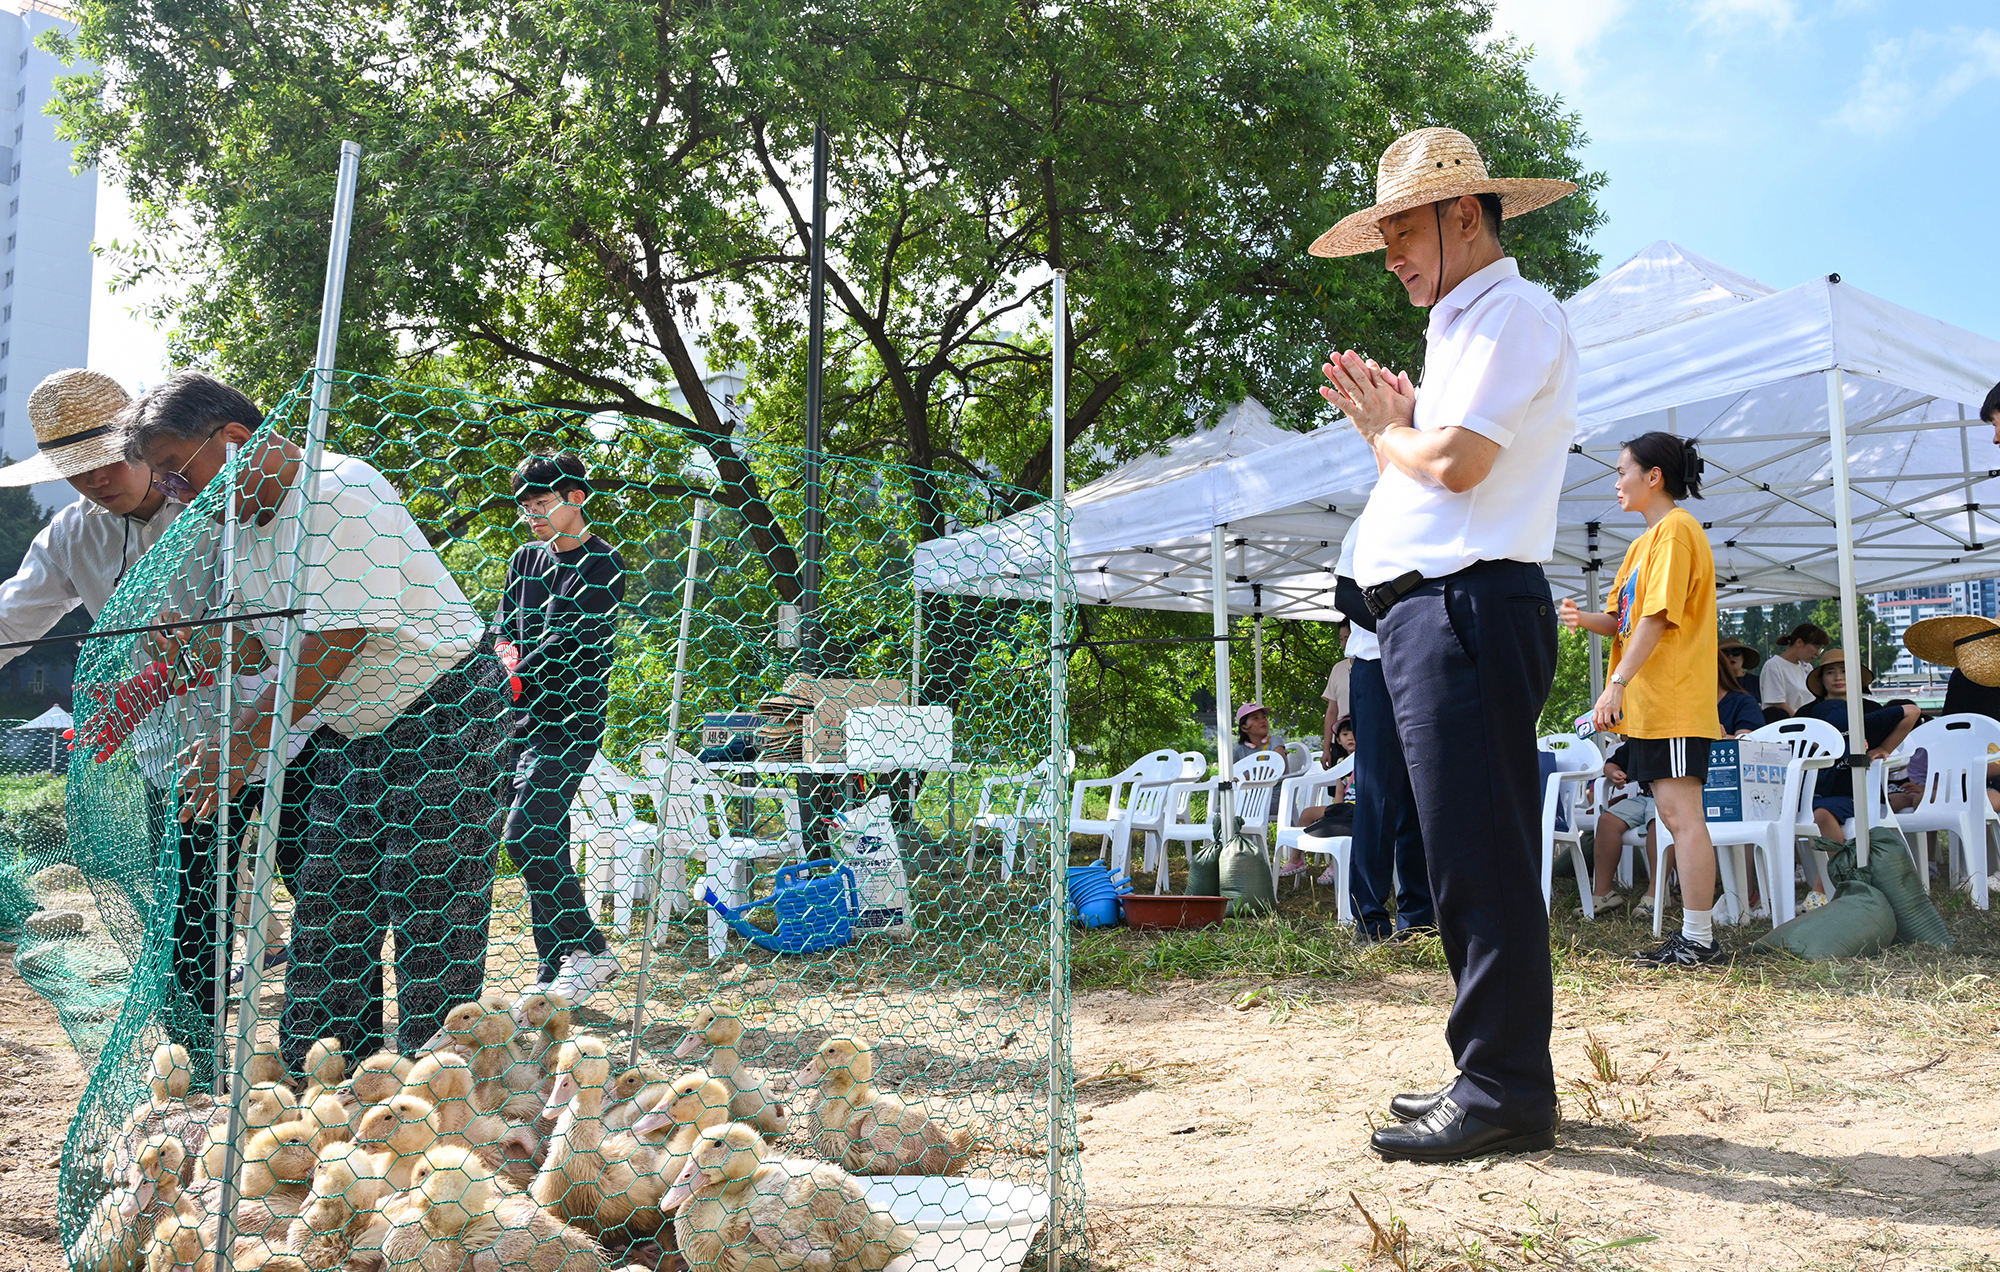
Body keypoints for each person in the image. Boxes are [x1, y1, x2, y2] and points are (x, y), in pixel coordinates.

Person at [1312, 126, 1577, 1161]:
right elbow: (1446, 453)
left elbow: (1457, 466)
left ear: (1463, 213)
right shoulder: (1467, 323)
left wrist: (1392, 434)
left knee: (1477, 857)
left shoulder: (1508, 309)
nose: (1390, 256)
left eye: (1400, 230)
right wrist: (1403, 424)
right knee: (1466, 854)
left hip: (1464, 606)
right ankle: (1492, 1072)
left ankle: (1504, 1088)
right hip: (1439, 609)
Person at [121, 371, 505, 1072]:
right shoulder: (246, 529)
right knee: (331, 913)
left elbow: (334, 643)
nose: (176, 496)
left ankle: (439, 1101)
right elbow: (266, 640)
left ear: (234, 440)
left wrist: (243, 743)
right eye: (165, 484)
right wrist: (190, 650)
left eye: (178, 474)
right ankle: (332, 1084)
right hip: (349, 729)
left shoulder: (338, 491)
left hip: (443, 708)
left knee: (431, 918)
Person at [1561, 432, 1724, 968]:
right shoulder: (1641, 545)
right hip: (1653, 707)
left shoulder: (1677, 530)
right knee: (1674, 816)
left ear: (1653, 476)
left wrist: (1617, 685)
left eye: (1622, 470)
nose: (1616, 481)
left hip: (1674, 700)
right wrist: (1584, 620)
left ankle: (1699, 939)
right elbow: (1625, 622)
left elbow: (1657, 618)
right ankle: (1694, 937)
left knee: (1682, 817)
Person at [495, 452, 627, 1004]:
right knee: (552, 837)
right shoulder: (524, 559)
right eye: (527, 505)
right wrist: (502, 658)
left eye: (543, 502)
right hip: (518, 719)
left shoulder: (604, 564)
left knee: (524, 835)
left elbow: (569, 642)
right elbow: (503, 626)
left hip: (570, 719)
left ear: (576, 499)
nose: (534, 514)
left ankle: (592, 952)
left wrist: (516, 672)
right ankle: (554, 966)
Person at [0, 369, 180, 667]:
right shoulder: (70, 536)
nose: (95, 479)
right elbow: (8, 624)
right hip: (152, 711)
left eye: (107, 458)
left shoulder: (212, 497)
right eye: (74, 467)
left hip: (266, 702)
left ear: (139, 442)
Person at [1332, 529, 1432, 931]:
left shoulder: (1437, 518)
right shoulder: (1370, 521)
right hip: (1376, 666)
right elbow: (1345, 596)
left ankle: (1419, 919)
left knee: (1420, 792)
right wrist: (1402, 626)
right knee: (1377, 792)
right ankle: (1369, 918)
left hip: (1425, 666)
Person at [1798, 650, 1920, 854]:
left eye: (1845, 671)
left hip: (1860, 789)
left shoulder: (1870, 710)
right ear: (1821, 679)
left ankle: (1834, 877)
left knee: (1822, 813)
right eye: (1830, 672)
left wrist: (1883, 748)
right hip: (1814, 788)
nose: (1838, 677)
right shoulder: (1807, 713)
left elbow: (1912, 713)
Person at [1583, 740, 1652, 916]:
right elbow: (1612, 763)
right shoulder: (1639, 739)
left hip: (1672, 796)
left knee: (1659, 822)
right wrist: (1614, 773)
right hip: (1645, 797)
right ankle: (1603, 894)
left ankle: (1655, 895)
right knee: (1607, 821)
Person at [1758, 623, 1828, 719]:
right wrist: (1800, 720)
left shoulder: (1807, 667)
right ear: (1799, 642)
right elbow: (1777, 702)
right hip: (1787, 725)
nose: (1817, 654)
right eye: (1816, 647)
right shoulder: (1773, 665)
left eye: (1820, 649)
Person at [1321, 620, 1353, 768]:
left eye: (1347, 638)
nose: (1344, 644)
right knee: (1339, 787)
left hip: (1366, 736)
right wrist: (1326, 748)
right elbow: (1332, 711)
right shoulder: (1338, 669)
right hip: (1342, 737)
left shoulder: (1377, 667)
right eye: (1341, 639)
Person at [1717, 652, 1764, 737]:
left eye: (1736, 652)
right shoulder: (1691, 704)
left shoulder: (1744, 702)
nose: (1731, 656)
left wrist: (1720, 736)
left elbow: (1746, 742)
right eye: (1726, 652)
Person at [1719, 638, 1762, 703]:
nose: (1731, 656)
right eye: (1725, 653)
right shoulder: (1716, 684)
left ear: (1743, 657)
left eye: (1736, 652)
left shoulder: (1758, 682)